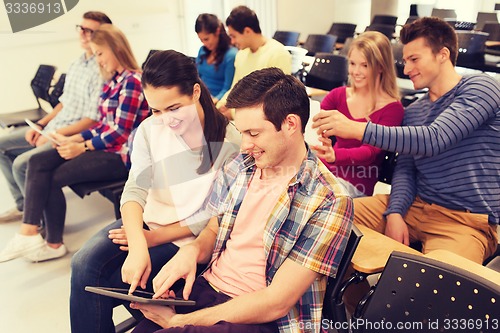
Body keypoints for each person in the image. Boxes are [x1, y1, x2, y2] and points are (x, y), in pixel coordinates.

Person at [129, 67, 353, 333]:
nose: (244, 144)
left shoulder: (328, 198)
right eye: (242, 132)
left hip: (261, 316)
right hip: (209, 288)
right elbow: (214, 229)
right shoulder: (240, 165)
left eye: (254, 133)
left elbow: (276, 302)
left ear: (291, 124)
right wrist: (191, 251)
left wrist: (179, 321)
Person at [69, 50, 240, 333]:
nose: (165, 119)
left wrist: (153, 238)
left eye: (173, 108)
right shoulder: (150, 129)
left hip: (190, 239)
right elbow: (134, 189)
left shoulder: (228, 140)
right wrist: (138, 243)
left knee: (102, 282)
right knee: (84, 264)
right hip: (150, 222)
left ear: (196, 92)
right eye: (156, 110)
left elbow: (214, 216)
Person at [312, 17, 499, 264]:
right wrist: (396, 212)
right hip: (415, 205)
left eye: (414, 59)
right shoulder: (415, 111)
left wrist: (356, 129)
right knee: (324, 221)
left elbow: (435, 138)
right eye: (405, 60)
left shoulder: (481, 87)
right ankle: (355, 303)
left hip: (463, 220)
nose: (406, 68)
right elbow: (407, 168)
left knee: (439, 284)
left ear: (442, 54)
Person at [0, 24, 150, 263]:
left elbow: (120, 134)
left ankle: (52, 243)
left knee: (49, 176)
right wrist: (73, 138)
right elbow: (102, 124)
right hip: (101, 146)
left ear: (116, 48)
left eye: (100, 54)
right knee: (38, 161)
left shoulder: (132, 81)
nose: (98, 60)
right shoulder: (113, 82)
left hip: (119, 156)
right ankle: (29, 233)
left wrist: (83, 147)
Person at [0, 11, 112, 223]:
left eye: (90, 30)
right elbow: (64, 102)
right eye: (81, 28)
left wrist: (52, 134)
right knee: (1, 145)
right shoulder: (76, 63)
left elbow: (94, 119)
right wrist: (42, 124)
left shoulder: (103, 68)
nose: (83, 34)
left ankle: (37, 221)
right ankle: (24, 206)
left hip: (73, 134)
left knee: (23, 164)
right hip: (55, 127)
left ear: (104, 35)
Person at [311, 31, 404, 197]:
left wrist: (335, 155)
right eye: (352, 64)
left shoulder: (393, 109)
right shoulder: (337, 95)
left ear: (381, 67)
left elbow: (370, 153)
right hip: (325, 170)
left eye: (365, 65)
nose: (356, 71)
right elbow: (314, 126)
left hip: (357, 182)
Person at [216, 5, 292, 119]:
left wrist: (233, 113)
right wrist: (221, 105)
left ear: (247, 31)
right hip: (241, 115)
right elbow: (235, 87)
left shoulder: (278, 53)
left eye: (234, 36)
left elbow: (275, 100)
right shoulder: (241, 54)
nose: (232, 41)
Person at [195, 13, 237, 105]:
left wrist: (212, 102)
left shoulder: (231, 55)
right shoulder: (202, 51)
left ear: (217, 32)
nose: (204, 43)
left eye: (206, 39)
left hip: (218, 101)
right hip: (200, 97)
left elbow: (228, 88)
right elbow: (197, 78)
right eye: (201, 40)